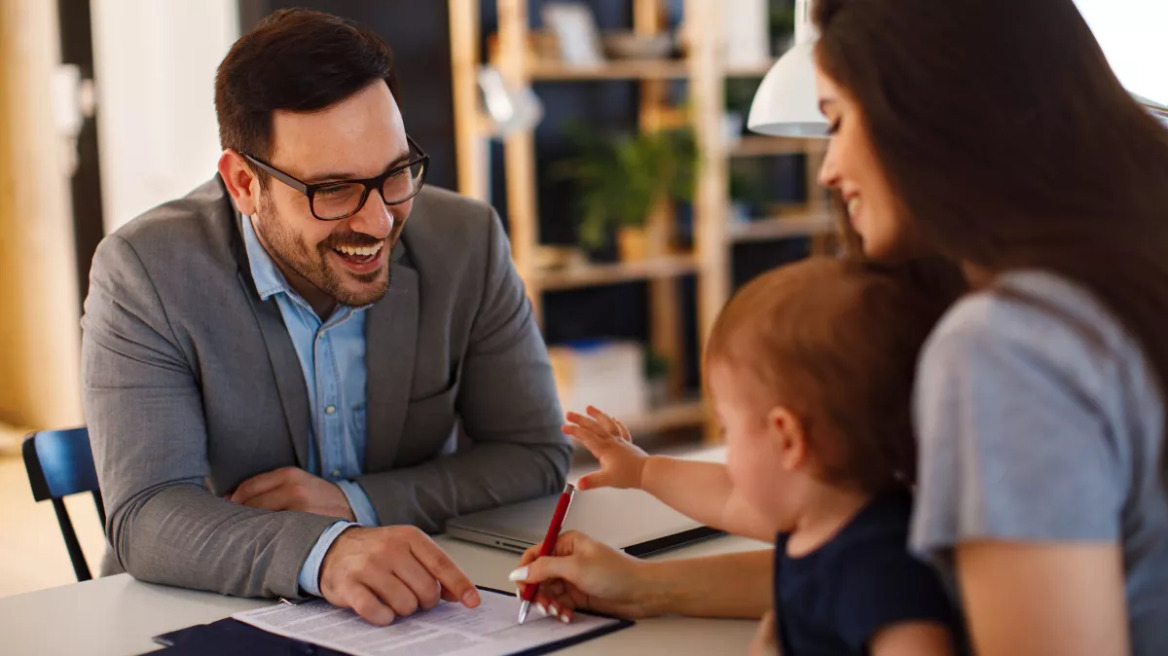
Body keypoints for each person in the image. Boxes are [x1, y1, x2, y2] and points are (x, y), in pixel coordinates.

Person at [514, 0, 1168, 654]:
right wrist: (644, 585)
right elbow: (873, 580)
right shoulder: (1109, 286)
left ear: (927, 111)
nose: (827, 169)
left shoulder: (1007, 347)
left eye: (837, 120)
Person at [81, 9, 569, 625]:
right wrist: (326, 552)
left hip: (412, 615)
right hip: (196, 612)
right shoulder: (146, 271)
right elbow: (147, 515)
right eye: (333, 189)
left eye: (395, 173)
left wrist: (353, 504)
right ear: (243, 183)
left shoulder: (466, 241)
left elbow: (534, 454)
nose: (378, 221)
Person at [513, 258, 962, 655]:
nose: (727, 451)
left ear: (787, 439)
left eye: (728, 429)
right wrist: (642, 470)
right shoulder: (817, 517)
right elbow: (728, 497)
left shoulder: (883, 574)